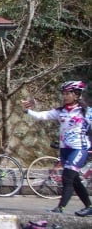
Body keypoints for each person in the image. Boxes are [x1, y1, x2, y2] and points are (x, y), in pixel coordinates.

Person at [22, 80, 92, 216]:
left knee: (67, 177)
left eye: (68, 93)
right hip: (65, 149)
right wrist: (27, 111)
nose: (65, 96)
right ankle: (89, 206)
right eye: (63, 93)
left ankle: (60, 208)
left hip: (79, 149)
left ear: (77, 94)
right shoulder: (61, 111)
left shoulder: (86, 112)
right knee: (74, 179)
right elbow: (42, 115)